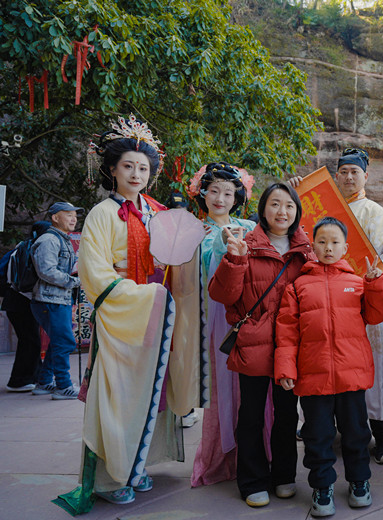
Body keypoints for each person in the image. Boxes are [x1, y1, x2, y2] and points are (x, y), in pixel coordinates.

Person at [55, 115, 194, 514]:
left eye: (143, 168)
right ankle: (110, 476)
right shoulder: (102, 213)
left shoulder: (158, 211)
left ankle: (136, 465)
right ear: (112, 170)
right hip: (122, 314)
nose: (136, 173)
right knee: (116, 394)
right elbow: (94, 272)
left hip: (154, 312)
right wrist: (143, 295)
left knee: (149, 391)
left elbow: (177, 258)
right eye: (128, 166)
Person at [275, 216, 383, 517]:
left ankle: (359, 481)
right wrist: (286, 368)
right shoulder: (298, 285)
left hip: (351, 374)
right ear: (313, 246)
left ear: (345, 247)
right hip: (313, 377)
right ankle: (322, 485)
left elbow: (376, 316)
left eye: (335, 242)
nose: (328, 247)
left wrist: (376, 283)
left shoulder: (357, 283)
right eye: (322, 242)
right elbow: (286, 330)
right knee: (317, 435)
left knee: (356, 433)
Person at [208, 182, 314, 508]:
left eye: (289, 206)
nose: (282, 212)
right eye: (275, 204)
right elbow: (222, 295)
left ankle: (283, 476)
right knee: (251, 415)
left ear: (297, 212)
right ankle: (252, 480)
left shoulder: (307, 250)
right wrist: (234, 260)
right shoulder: (246, 244)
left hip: (291, 347)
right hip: (254, 341)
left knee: (286, 416)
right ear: (263, 209)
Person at [184, 162, 257, 486]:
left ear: (237, 197)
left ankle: (253, 455)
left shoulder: (249, 228)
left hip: (245, 316)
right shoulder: (193, 230)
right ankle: (219, 459)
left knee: (250, 390)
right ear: (203, 193)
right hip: (209, 319)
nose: (220, 198)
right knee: (219, 390)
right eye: (213, 191)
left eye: (228, 192)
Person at [333, 147, 383, 464]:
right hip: (334, 304)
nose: (349, 177)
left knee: (374, 371)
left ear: (366, 175)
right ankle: (342, 432)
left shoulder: (375, 212)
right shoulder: (327, 210)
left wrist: (373, 282)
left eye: (355, 172)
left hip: (365, 303)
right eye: (344, 172)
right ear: (337, 176)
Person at [29, 202, 83, 400]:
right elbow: (46, 271)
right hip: (49, 300)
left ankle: (43, 382)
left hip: (57, 298)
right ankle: (63, 385)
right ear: (55, 217)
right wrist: (74, 281)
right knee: (65, 341)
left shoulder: (61, 239)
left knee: (58, 342)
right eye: (68, 214)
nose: (73, 218)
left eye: (75, 215)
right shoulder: (49, 240)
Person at [3, 221, 51, 392]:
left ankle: (34, 377)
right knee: (30, 340)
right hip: (24, 301)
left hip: (14, 301)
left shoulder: (19, 248)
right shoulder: (33, 248)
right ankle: (19, 381)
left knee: (30, 340)